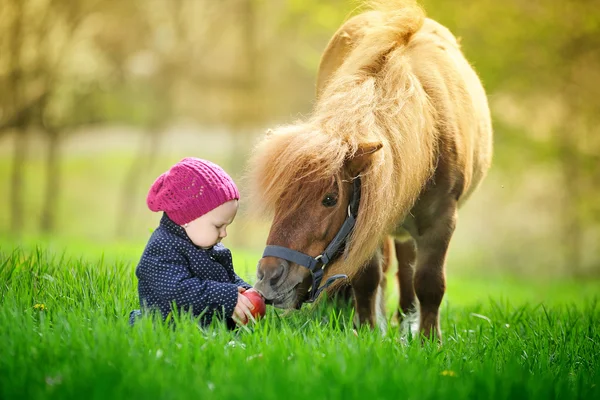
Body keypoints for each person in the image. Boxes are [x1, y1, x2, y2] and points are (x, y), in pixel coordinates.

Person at [129, 157, 255, 328]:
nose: (224, 233)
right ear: (187, 217)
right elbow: (178, 291)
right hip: (170, 326)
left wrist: (245, 291)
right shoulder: (162, 248)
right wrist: (227, 296)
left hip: (205, 326)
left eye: (227, 226)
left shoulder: (208, 245)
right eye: (218, 226)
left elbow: (227, 278)